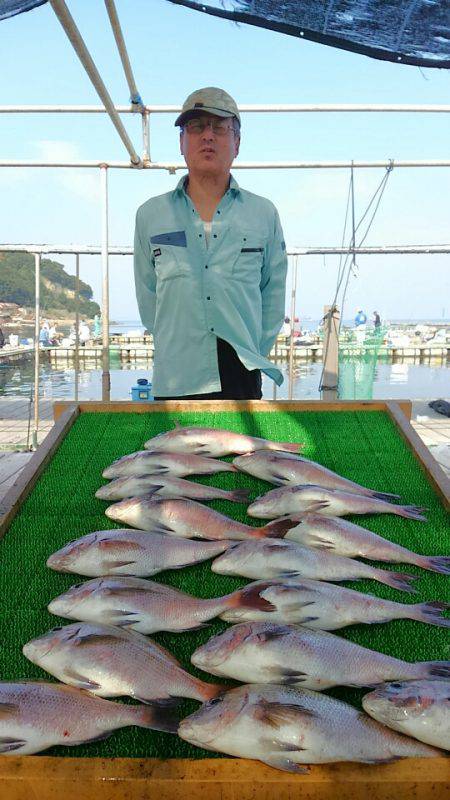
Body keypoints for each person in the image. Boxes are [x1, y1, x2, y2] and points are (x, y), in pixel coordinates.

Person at [134, 87, 288, 400]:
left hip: (242, 375)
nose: (207, 136)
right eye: (196, 127)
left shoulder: (264, 214)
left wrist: (253, 353)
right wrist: (174, 346)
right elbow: (148, 297)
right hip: (176, 377)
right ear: (181, 142)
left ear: (237, 143)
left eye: (219, 127)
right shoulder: (150, 215)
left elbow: (272, 296)